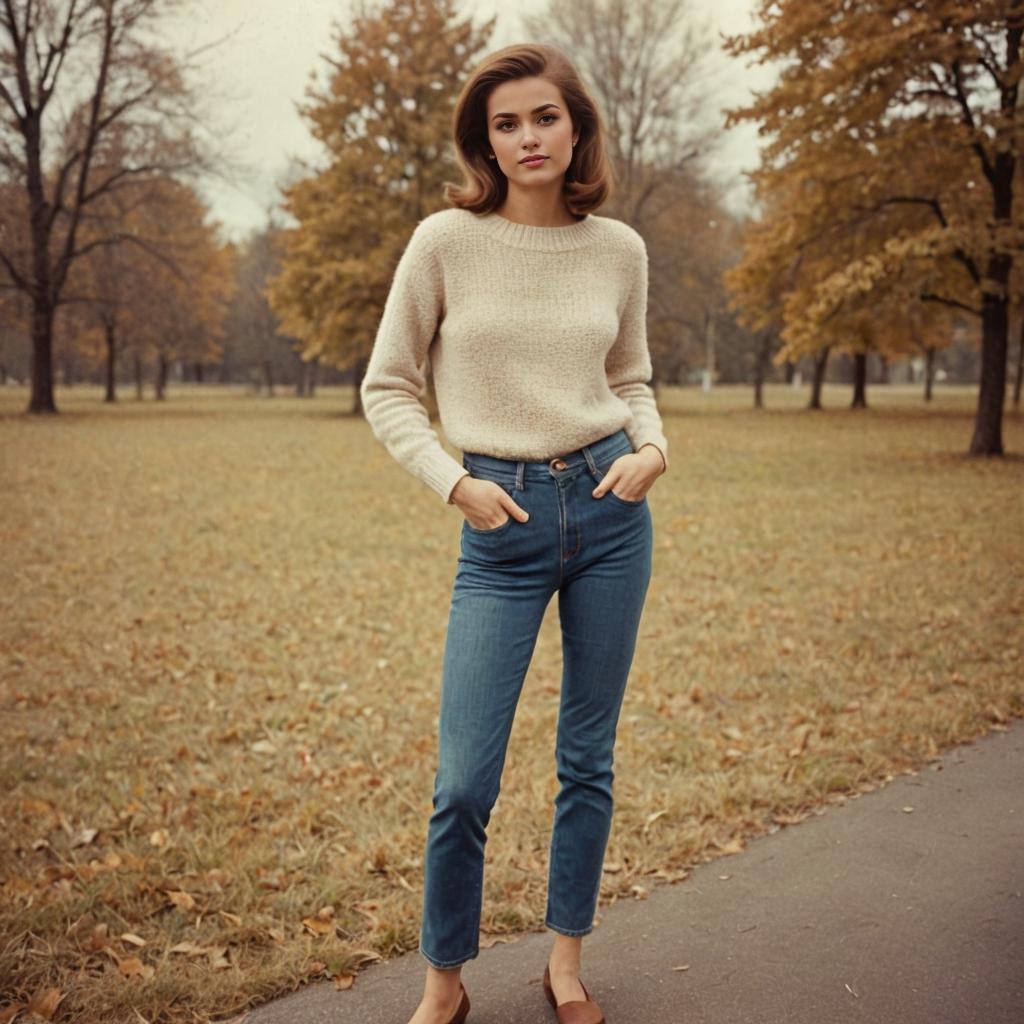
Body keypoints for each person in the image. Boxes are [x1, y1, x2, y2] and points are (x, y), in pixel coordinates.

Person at [360, 41, 669, 1024]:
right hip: (497, 518)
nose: (527, 137)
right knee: (462, 781)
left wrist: (652, 446)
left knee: (587, 759)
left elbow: (631, 379)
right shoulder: (444, 241)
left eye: (543, 116)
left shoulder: (618, 249)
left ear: (574, 126)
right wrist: (455, 483)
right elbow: (388, 386)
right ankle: (444, 981)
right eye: (505, 123)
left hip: (612, 510)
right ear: (482, 140)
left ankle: (564, 962)